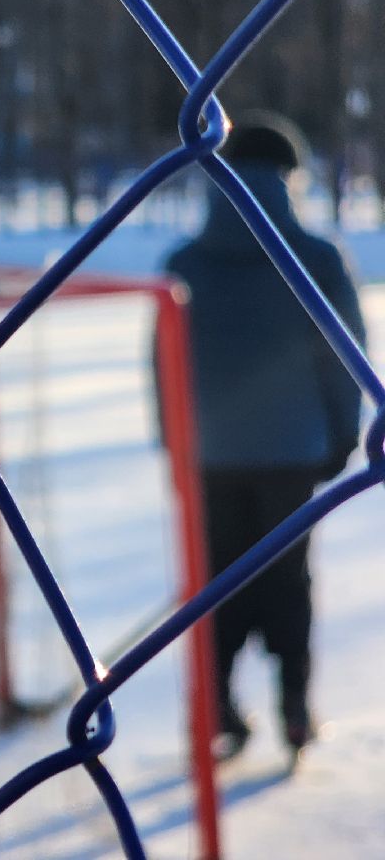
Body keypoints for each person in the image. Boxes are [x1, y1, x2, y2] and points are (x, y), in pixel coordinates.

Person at [161, 112, 365, 758]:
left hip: (209, 454)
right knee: (288, 578)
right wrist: (342, 436)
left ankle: (216, 708)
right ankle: (295, 707)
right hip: (292, 451)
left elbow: (162, 364)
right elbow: (344, 354)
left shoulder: (185, 263)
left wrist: (174, 445)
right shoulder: (318, 258)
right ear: (289, 177)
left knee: (217, 580)